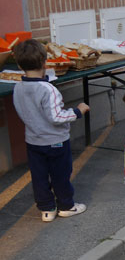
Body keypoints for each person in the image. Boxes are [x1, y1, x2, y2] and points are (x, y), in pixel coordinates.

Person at [11, 39, 89, 222]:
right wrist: (78, 111)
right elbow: (56, 117)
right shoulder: (48, 89)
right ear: (45, 62)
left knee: (39, 176)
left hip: (33, 141)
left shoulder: (18, 87)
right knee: (60, 175)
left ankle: (47, 209)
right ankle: (66, 206)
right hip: (56, 141)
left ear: (19, 65)